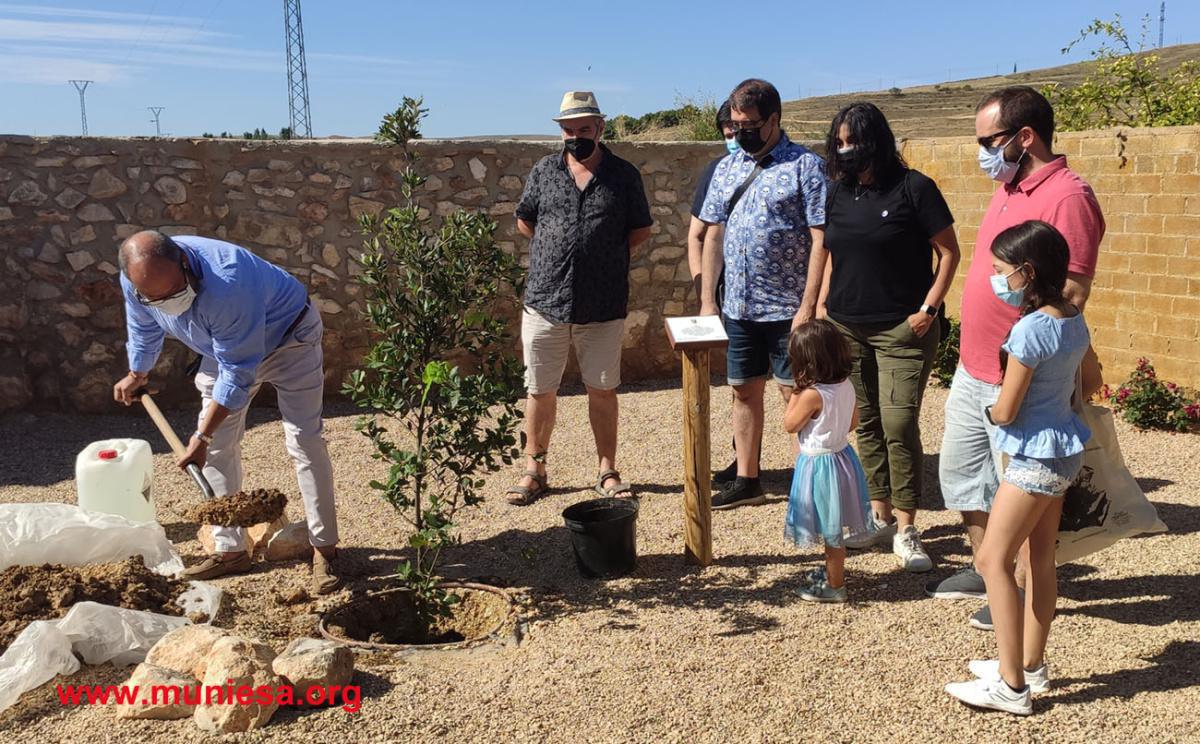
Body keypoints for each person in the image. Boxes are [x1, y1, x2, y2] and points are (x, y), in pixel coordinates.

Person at [929, 86, 1104, 628]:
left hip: (1018, 377)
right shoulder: (1009, 187)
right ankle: (990, 569)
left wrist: (1030, 365)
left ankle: (1018, 595)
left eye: (989, 141)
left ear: (1024, 137)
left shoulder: (1069, 197)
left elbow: (1071, 293)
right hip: (974, 366)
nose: (983, 153)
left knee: (1021, 491)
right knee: (964, 476)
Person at [112, 231, 341, 594]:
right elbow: (143, 325)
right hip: (222, 348)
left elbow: (237, 374)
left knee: (304, 439)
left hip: (289, 339)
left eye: (173, 292)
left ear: (184, 262)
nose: (168, 303)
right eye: (156, 299)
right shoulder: (137, 281)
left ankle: (324, 550)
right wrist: (137, 373)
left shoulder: (228, 283)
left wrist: (201, 436)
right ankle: (230, 551)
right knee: (218, 448)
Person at [805, 102, 961, 573]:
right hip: (846, 327)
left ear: (877, 140)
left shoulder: (915, 188)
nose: (845, 150)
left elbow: (949, 252)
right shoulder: (839, 192)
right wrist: (820, 308)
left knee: (899, 423)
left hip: (902, 329)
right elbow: (831, 253)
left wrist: (928, 309)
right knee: (867, 423)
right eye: (839, 143)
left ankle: (908, 528)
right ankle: (880, 518)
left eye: (854, 141)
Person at [944, 220, 1091, 716]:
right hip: (1063, 450)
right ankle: (1030, 665)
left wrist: (991, 413)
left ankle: (1011, 686)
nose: (995, 278)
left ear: (1027, 271)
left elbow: (1006, 410)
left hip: (1033, 459)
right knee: (1040, 558)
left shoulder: (1030, 329)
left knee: (992, 560)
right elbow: (1090, 380)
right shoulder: (1072, 316)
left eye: (1000, 270)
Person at [507, 91, 653, 505]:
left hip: (603, 304)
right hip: (545, 300)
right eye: (568, 130)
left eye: (583, 129)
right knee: (540, 390)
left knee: (602, 390)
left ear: (600, 128)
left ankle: (607, 470)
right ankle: (535, 469)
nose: (575, 137)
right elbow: (525, 220)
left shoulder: (624, 175)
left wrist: (600, 256)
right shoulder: (544, 171)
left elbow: (640, 230)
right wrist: (558, 252)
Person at [698, 78, 828, 510]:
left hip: (788, 308)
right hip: (739, 307)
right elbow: (713, 234)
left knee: (795, 396)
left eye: (749, 125)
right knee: (742, 391)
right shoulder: (727, 167)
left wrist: (810, 305)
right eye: (735, 125)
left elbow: (821, 238)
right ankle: (747, 479)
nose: (740, 133)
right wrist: (708, 301)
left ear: (774, 119)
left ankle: (806, 486)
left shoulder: (806, 166)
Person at [783, 319, 875, 603]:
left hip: (819, 466)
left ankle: (835, 586)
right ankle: (833, 575)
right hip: (842, 458)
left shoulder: (812, 395)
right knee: (833, 523)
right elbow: (853, 423)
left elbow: (789, 424)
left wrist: (795, 392)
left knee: (830, 530)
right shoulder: (846, 385)